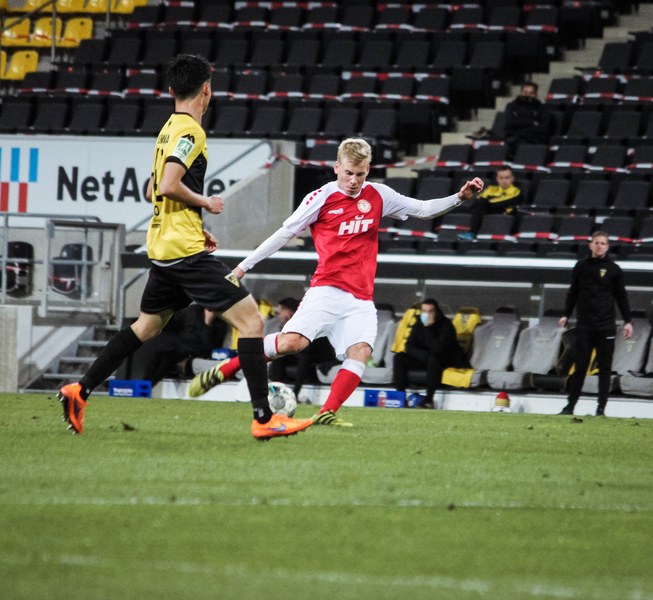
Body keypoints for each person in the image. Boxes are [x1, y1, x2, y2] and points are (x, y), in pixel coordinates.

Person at [57, 54, 313, 440]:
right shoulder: (191, 132)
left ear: (171, 90)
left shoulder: (167, 130)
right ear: (206, 89)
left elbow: (151, 189)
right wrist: (205, 203)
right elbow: (167, 185)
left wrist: (194, 221)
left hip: (164, 247)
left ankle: (79, 389)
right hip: (184, 252)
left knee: (147, 326)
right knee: (252, 322)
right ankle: (265, 419)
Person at [188, 137, 484, 426]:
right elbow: (284, 234)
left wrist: (459, 198)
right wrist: (243, 267)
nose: (354, 181)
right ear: (337, 168)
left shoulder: (378, 194)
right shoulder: (321, 197)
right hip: (326, 290)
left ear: (368, 170)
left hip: (361, 298)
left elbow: (423, 209)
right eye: (348, 173)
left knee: (361, 352)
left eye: (360, 174)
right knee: (292, 343)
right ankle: (227, 367)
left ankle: (326, 412)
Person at [558, 231, 633, 417]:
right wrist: (566, 314)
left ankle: (600, 409)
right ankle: (569, 407)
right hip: (584, 325)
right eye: (597, 243)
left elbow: (621, 297)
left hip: (606, 326)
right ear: (591, 245)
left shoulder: (614, 269)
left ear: (607, 247)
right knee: (580, 366)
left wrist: (628, 321)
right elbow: (573, 292)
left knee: (604, 368)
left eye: (603, 243)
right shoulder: (580, 266)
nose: (600, 246)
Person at [393, 298, 470, 409]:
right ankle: (400, 397)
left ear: (436, 312)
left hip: (444, 360)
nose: (427, 315)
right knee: (399, 357)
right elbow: (409, 346)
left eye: (430, 311)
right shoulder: (418, 324)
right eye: (424, 311)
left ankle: (428, 400)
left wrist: (428, 328)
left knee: (434, 358)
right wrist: (425, 356)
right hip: (426, 358)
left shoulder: (446, 325)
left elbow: (438, 349)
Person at [131, 304, 227, 385]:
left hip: (194, 353)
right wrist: (155, 318)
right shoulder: (193, 311)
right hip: (178, 348)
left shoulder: (220, 324)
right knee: (161, 355)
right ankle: (145, 385)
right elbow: (173, 320)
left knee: (168, 357)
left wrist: (207, 322)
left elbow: (208, 347)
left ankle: (147, 385)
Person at [266, 298, 337, 402]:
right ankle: (277, 392)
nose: (279, 316)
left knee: (304, 358)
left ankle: (295, 394)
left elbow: (313, 346)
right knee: (279, 357)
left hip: (317, 355)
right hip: (299, 354)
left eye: (280, 312)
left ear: (288, 311)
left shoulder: (306, 320)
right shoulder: (286, 326)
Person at [458, 166, 522, 240]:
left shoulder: (515, 191)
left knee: (481, 205)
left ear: (512, 178)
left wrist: (487, 200)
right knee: (458, 207)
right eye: (501, 178)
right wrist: (488, 200)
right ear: (497, 178)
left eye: (507, 178)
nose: (504, 181)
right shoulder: (491, 189)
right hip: (487, 210)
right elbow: (478, 200)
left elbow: (500, 203)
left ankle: (472, 232)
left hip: (503, 212)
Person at [504, 81, 552, 158]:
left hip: (534, 140)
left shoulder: (542, 108)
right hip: (514, 140)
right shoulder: (511, 106)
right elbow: (510, 123)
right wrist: (531, 122)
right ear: (521, 93)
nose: (528, 95)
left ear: (536, 95)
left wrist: (520, 126)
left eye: (531, 93)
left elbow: (544, 128)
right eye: (525, 92)